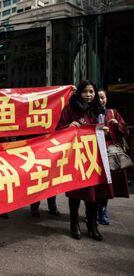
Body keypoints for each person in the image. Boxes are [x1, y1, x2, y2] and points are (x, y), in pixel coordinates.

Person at [57, 80, 112, 241]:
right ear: (79, 93)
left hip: (94, 157)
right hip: (76, 158)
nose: (89, 95)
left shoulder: (98, 110)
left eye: (91, 92)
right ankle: (74, 225)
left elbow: (104, 132)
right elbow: (58, 129)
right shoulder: (69, 109)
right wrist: (68, 127)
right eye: (85, 92)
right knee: (75, 194)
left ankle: (92, 226)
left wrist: (105, 130)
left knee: (93, 195)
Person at [96, 88, 130, 225]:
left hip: (110, 153)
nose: (100, 100)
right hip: (94, 152)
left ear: (106, 98)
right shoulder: (89, 113)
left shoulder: (112, 112)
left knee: (107, 184)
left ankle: (102, 210)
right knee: (96, 183)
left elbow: (125, 131)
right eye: (98, 97)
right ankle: (93, 211)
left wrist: (117, 124)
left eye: (102, 97)